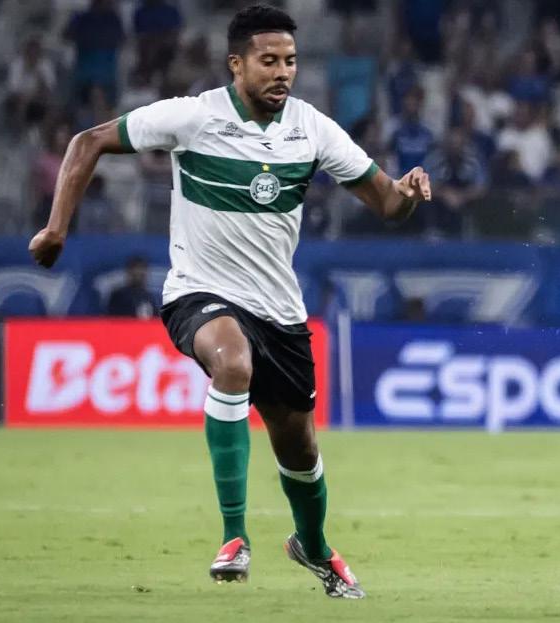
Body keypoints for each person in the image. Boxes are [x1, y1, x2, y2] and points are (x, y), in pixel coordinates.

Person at [28, 4, 431, 600]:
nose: (282, 72)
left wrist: (409, 191)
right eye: (268, 61)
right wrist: (57, 227)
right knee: (232, 362)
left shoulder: (312, 129)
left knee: (300, 450)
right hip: (199, 293)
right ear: (236, 64)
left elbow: (388, 204)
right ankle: (234, 536)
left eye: (290, 61)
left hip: (279, 313)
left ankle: (313, 546)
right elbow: (88, 142)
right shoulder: (193, 117)